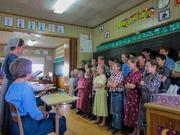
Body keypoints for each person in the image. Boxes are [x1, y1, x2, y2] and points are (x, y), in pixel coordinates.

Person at [5, 58, 66, 135]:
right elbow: (34, 114)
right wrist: (42, 115)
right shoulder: (26, 88)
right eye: (31, 69)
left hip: (15, 125)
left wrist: (41, 113)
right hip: (28, 126)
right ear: (26, 72)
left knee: (52, 115)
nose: (32, 71)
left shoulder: (12, 85)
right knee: (61, 119)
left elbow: (24, 104)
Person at [2, 38, 25, 135]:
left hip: (12, 87)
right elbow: (18, 74)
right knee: (13, 114)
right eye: (23, 47)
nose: (23, 50)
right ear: (17, 47)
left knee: (12, 113)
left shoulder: (11, 57)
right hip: (14, 89)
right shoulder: (12, 57)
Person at [138, 60, 161, 135]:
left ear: (154, 67)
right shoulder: (146, 76)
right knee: (143, 120)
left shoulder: (157, 77)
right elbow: (139, 85)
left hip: (152, 101)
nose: (146, 68)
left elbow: (152, 88)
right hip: (144, 99)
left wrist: (143, 84)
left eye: (147, 66)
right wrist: (141, 84)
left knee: (151, 120)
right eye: (145, 66)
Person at [124, 57, 142, 135]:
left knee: (136, 114)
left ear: (135, 63)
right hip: (130, 96)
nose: (128, 65)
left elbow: (134, 86)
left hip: (136, 96)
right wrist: (128, 85)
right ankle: (134, 131)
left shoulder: (139, 73)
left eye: (129, 64)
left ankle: (138, 132)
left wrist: (129, 85)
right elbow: (124, 82)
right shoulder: (130, 73)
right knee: (131, 113)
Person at [107, 60, 124, 134]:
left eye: (114, 66)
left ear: (119, 68)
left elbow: (114, 85)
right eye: (112, 66)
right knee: (113, 111)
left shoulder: (120, 75)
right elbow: (108, 84)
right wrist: (111, 83)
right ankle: (114, 125)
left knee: (117, 112)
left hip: (118, 94)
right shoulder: (113, 74)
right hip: (112, 94)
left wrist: (111, 82)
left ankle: (118, 127)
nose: (113, 68)